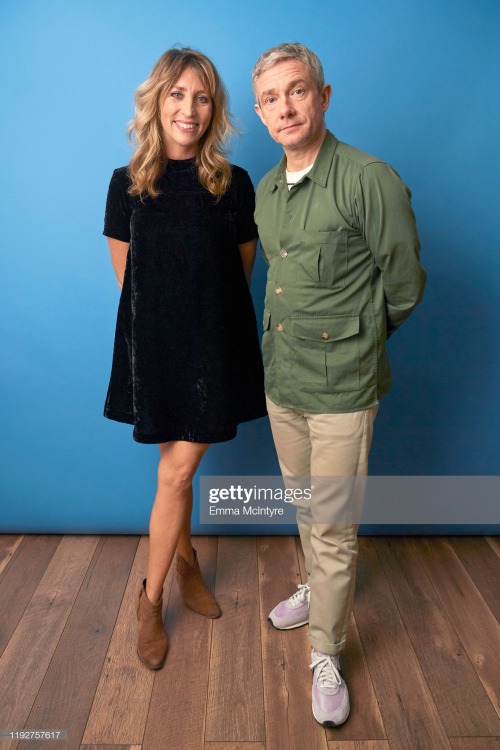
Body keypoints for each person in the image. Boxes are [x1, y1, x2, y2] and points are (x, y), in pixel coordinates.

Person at [252, 43, 426, 726]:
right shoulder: (266, 190)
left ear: (324, 97)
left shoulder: (368, 178)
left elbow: (405, 285)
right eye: (271, 98)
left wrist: (355, 347)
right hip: (282, 383)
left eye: (297, 91)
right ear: (263, 112)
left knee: (333, 527)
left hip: (343, 393)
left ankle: (327, 649)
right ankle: (314, 590)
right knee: (305, 507)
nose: (285, 107)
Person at [103, 47, 266, 670]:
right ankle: (187, 564)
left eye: (201, 97)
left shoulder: (234, 184)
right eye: (177, 94)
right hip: (155, 350)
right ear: (157, 102)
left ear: (214, 109)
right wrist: (166, 334)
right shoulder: (126, 184)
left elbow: (240, 275)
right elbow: (131, 282)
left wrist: (205, 337)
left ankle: (149, 600)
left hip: (213, 349)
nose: (189, 109)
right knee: (178, 472)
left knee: (174, 473)